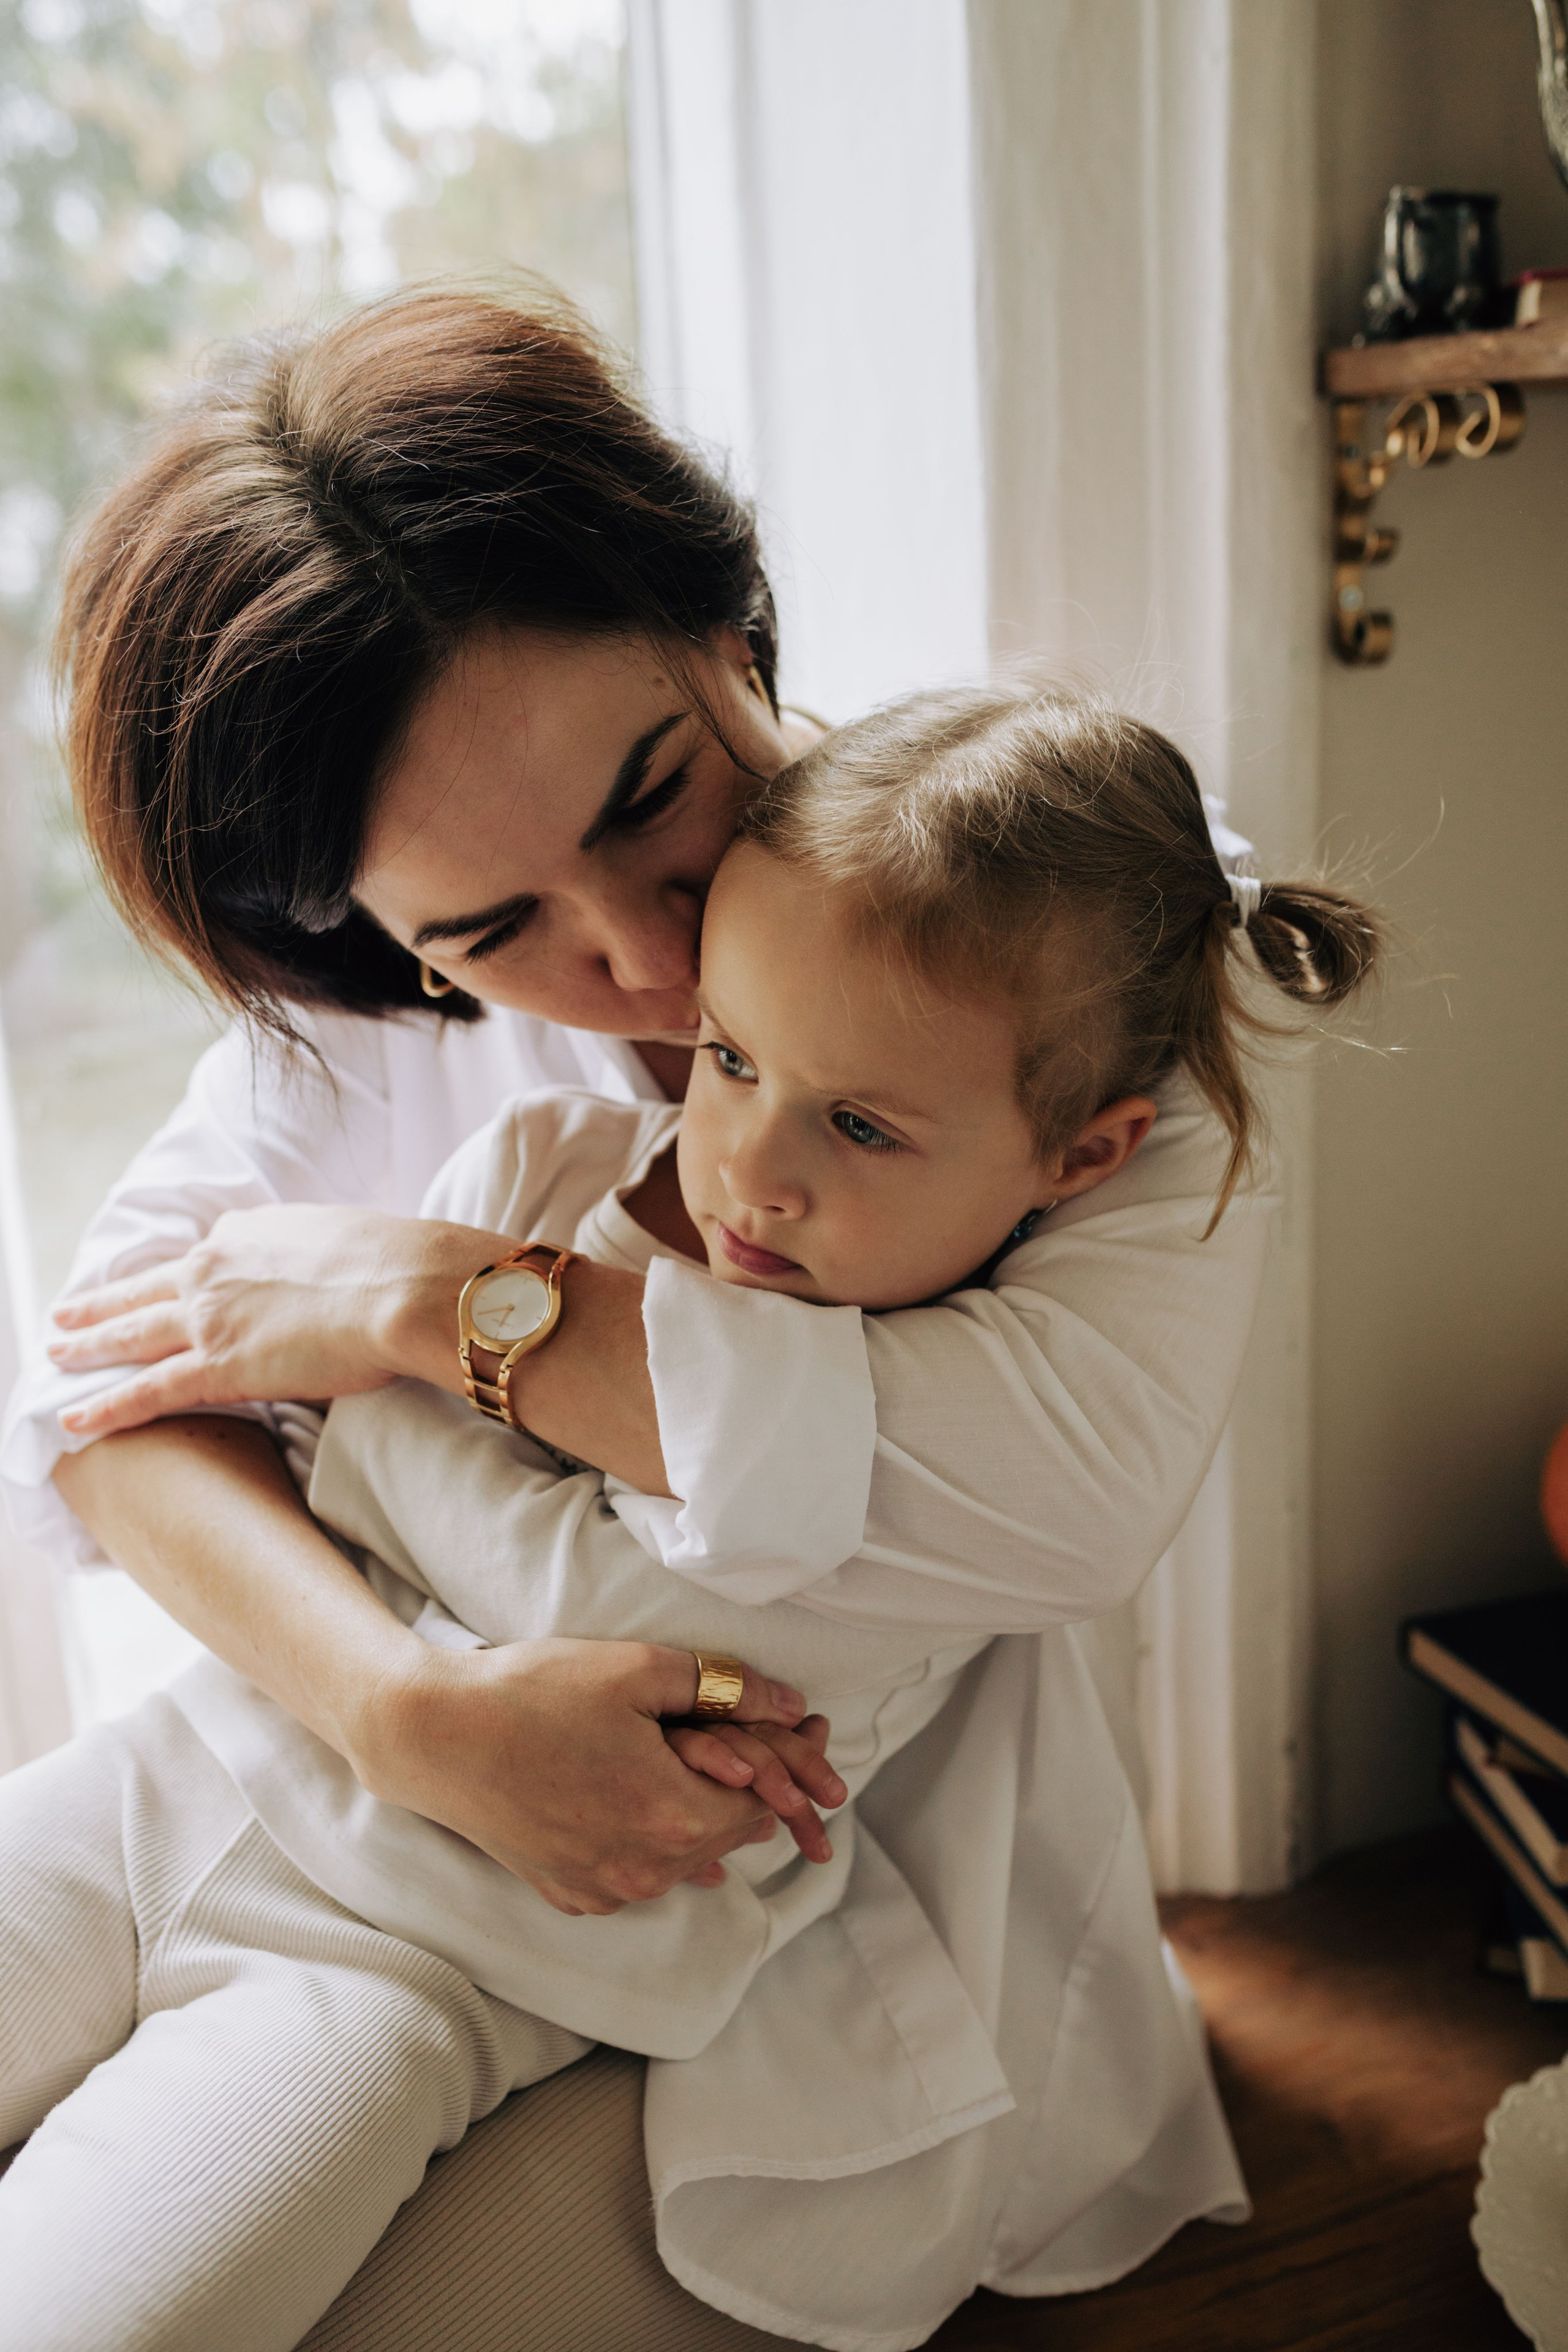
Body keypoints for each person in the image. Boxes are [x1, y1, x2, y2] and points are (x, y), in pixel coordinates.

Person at [0, 285, 1305, 2343]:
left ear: (727, 625)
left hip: (718, 1967)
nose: (639, 959)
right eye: (493, 925)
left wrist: (430, 1302)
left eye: (644, 801)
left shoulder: (1073, 924)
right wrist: (402, 1714)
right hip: (242, 1773)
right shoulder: (379, 1031)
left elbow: (1059, 1492)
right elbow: (100, 1403)